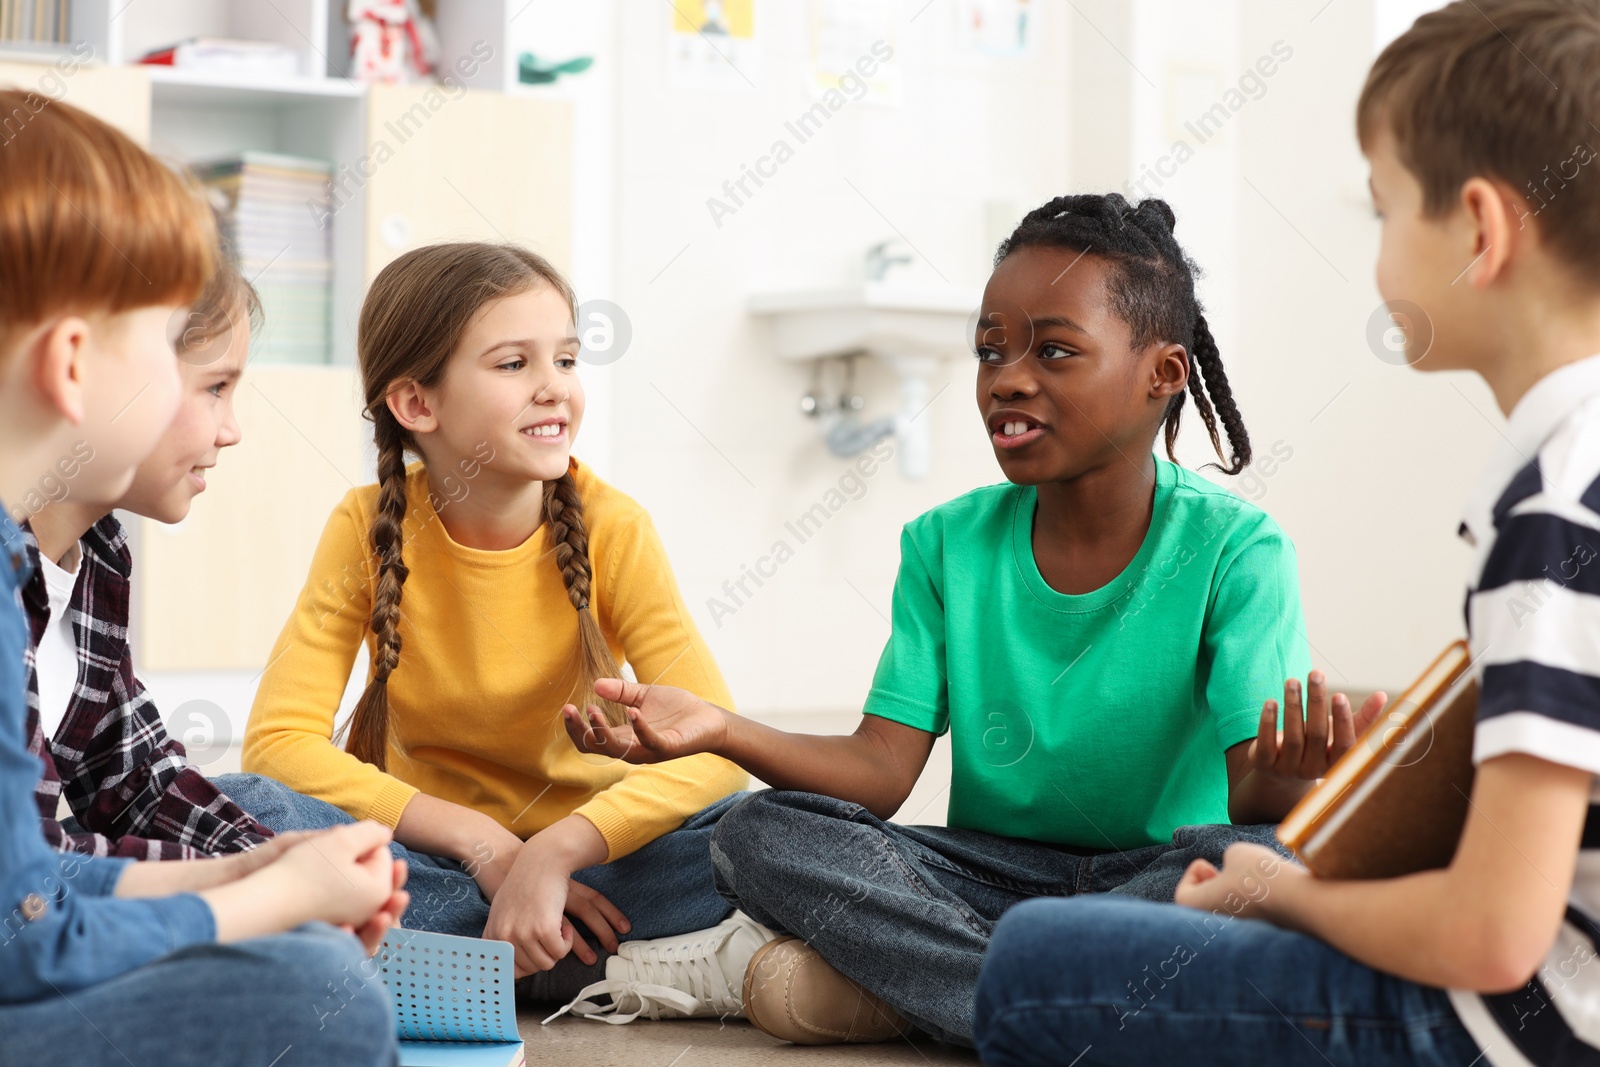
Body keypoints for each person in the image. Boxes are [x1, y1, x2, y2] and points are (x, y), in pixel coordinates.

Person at [564, 192, 1360, 1044]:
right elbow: (880, 768)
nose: (1008, 377)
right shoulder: (947, 543)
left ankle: (931, 989)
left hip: (1159, 872)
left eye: (1054, 350)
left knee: (1269, 860)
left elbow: (1255, 800)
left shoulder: (1237, 547)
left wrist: (1292, 775)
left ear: (1163, 375)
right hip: (984, 872)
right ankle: (1039, 999)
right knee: (759, 830)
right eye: (991, 351)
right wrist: (723, 727)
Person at [973, 4, 1600, 1065]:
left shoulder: (1551, 508)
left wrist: (1285, 892)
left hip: (1523, 1027)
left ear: (1482, 231)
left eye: (1384, 210)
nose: (1377, 256)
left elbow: (1492, 936)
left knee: (1032, 961)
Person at [240, 241, 757, 1008]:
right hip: (439, 861)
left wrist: (552, 853)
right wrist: (485, 845)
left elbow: (717, 751)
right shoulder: (362, 528)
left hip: (593, 865)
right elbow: (277, 747)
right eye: (515, 364)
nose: (555, 388)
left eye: (568, 360)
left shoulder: (617, 527)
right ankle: (600, 964)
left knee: (760, 829)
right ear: (418, 403)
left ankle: (437, 963)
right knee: (242, 807)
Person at [0, 90, 404, 1067]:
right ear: (72, 362)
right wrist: (265, 901)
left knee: (299, 833)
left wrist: (263, 870)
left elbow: (33, 880)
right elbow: (31, 933)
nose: (226, 421)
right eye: (176, 348)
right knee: (318, 992)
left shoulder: (84, 560)